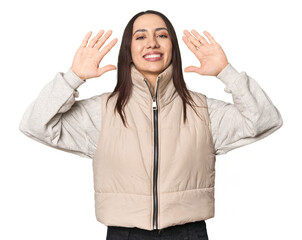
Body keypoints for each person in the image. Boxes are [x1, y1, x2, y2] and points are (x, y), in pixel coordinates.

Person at [19, 10, 283, 240]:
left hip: (188, 233)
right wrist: (73, 78)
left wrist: (227, 72)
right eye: (141, 36)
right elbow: (35, 124)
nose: (152, 44)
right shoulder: (102, 112)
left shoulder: (203, 111)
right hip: (124, 233)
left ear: (172, 47)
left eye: (162, 35)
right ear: (129, 49)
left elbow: (264, 120)